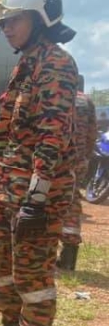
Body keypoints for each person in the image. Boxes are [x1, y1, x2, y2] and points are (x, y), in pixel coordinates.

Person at [0, 0, 79, 326]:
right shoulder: (27, 63)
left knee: (32, 278)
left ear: (40, 18)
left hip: (38, 194)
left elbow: (53, 133)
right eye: (3, 22)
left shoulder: (56, 63)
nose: (6, 29)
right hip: (7, 189)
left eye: (13, 20)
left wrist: (37, 197)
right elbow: (9, 130)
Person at [57, 76, 98, 270]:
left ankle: (39, 256)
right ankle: (68, 255)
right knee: (71, 202)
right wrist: (84, 158)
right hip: (77, 161)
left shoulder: (53, 96)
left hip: (52, 159)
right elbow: (92, 134)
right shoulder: (86, 101)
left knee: (41, 202)